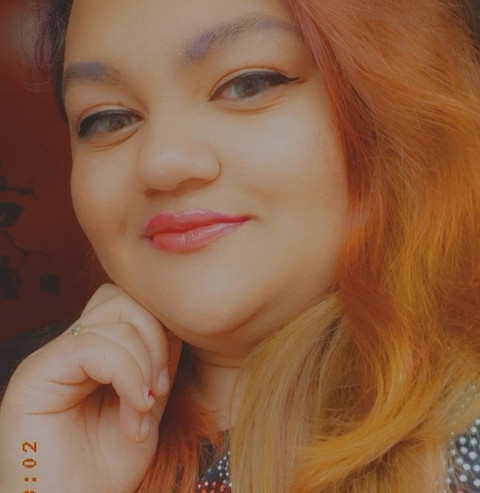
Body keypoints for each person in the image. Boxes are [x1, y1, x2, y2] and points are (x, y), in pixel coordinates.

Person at [0, 0, 479, 491]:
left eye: (248, 85)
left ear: (393, 104)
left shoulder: (461, 440)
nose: (161, 163)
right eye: (108, 119)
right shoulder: (29, 417)